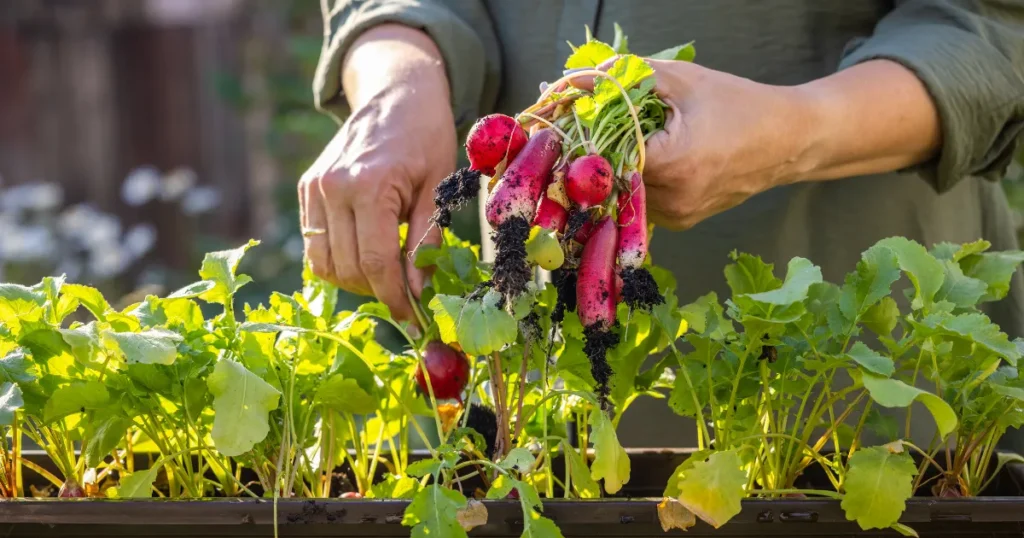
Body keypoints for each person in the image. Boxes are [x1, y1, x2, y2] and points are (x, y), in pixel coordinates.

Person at [298, 1, 1024, 447]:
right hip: (530, 393)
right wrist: (400, 79)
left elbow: (989, 27)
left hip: (862, 365)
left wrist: (796, 130)